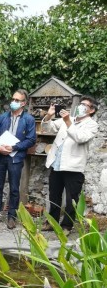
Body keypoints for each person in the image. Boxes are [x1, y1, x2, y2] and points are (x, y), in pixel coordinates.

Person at [41, 96, 99, 234]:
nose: (81, 106)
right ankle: (52, 222)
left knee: (71, 199)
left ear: (91, 110)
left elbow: (80, 138)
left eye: (85, 105)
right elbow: (48, 128)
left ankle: (67, 226)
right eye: (81, 104)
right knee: (54, 196)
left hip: (74, 166)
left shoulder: (92, 125)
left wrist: (68, 122)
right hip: (56, 163)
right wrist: (49, 116)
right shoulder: (69, 119)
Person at [0, 89, 36, 229]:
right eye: (13, 99)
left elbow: (31, 140)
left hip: (15, 158)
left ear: (23, 103)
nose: (13, 102)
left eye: (17, 100)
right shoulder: (2, 117)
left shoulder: (29, 119)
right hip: (0, 157)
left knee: (14, 188)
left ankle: (11, 217)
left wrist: (14, 148)